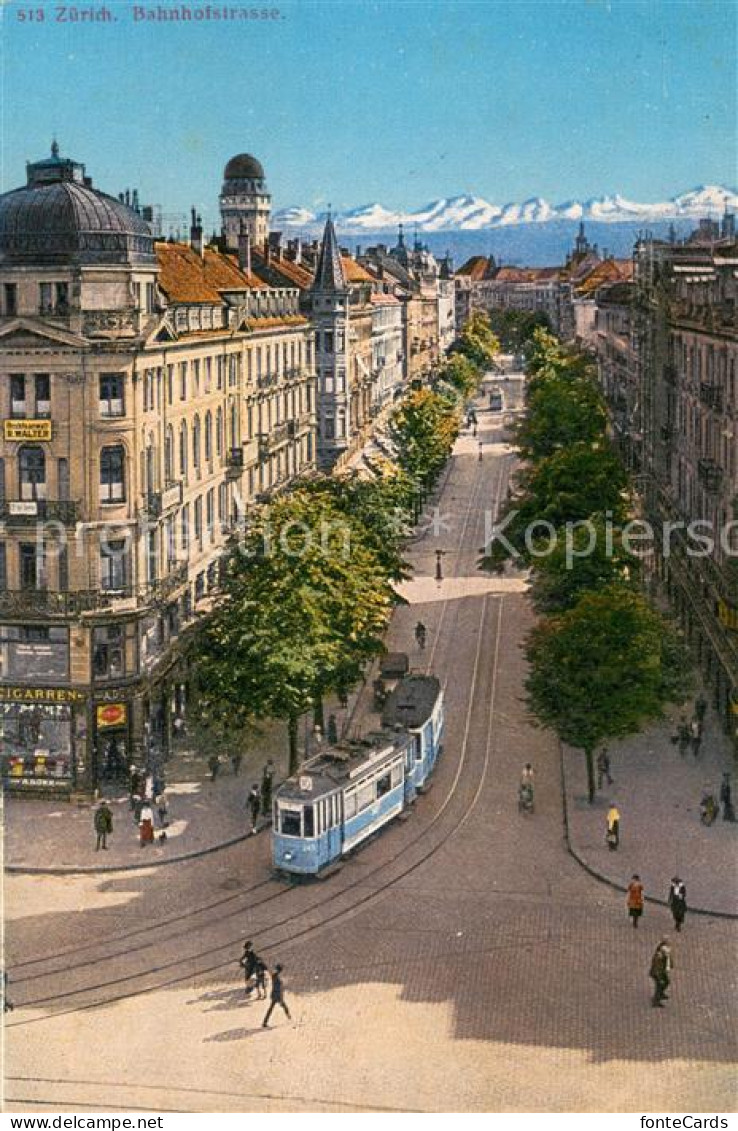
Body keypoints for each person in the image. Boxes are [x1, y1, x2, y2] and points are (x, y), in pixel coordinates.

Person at [649, 938, 673, 1007]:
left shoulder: (665, 954)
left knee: (667, 982)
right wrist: (660, 979)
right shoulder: (658, 958)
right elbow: (657, 969)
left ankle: (661, 994)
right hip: (657, 973)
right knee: (659, 986)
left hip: (662, 971)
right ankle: (656, 1001)